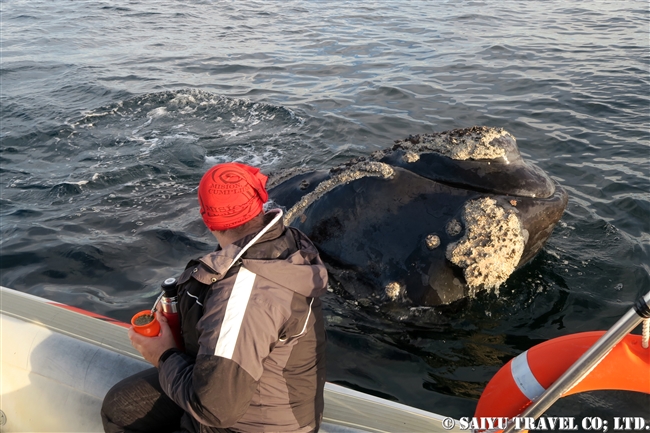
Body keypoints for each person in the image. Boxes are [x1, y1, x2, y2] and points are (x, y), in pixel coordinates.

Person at [101, 163, 328, 433]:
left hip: (246, 424)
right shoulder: (283, 244)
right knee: (121, 406)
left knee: (122, 416)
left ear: (206, 218)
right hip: (259, 397)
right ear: (259, 203)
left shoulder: (244, 295)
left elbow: (216, 409)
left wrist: (163, 354)